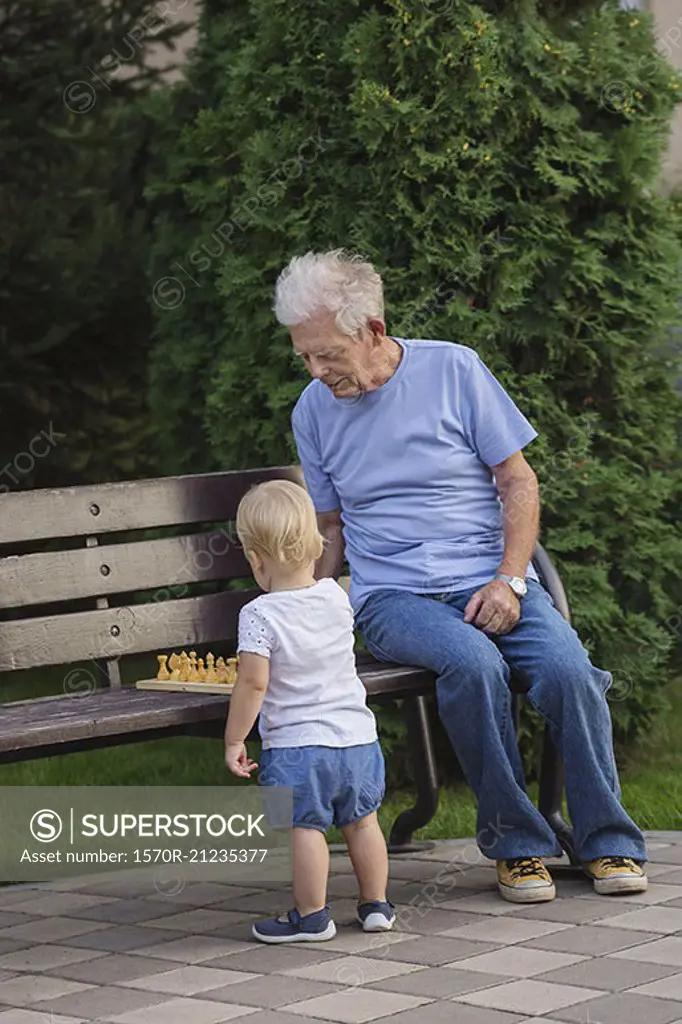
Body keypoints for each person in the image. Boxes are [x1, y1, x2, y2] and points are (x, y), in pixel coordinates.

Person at [276, 248, 648, 904]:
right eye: (304, 356)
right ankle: (517, 844)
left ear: (373, 331)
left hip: (493, 577)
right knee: (472, 665)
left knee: (569, 672)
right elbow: (329, 531)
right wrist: (305, 606)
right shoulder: (312, 411)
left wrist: (510, 580)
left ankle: (608, 841)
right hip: (394, 596)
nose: (315, 370)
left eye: (326, 353)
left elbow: (517, 480)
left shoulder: (454, 369)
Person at [224, 478, 395, 942]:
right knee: (362, 822)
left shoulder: (259, 615)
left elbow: (254, 682)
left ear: (256, 561)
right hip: (357, 740)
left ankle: (312, 915)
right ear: (315, 545)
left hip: (300, 748)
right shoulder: (336, 597)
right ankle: (376, 905)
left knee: (306, 828)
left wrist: (236, 738)